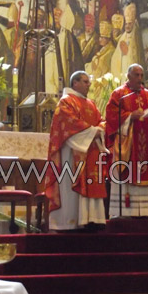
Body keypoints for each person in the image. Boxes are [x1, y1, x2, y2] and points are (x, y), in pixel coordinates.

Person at [44, 71, 108, 230]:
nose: (89, 85)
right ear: (75, 83)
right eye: (85, 82)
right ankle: (70, 222)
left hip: (91, 151)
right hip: (72, 153)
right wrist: (93, 132)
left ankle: (92, 219)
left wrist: (100, 129)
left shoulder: (91, 104)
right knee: (71, 189)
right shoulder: (66, 102)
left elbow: (101, 121)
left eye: (88, 82)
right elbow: (68, 123)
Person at [105, 64, 148, 218]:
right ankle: (124, 213)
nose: (139, 78)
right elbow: (111, 116)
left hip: (146, 147)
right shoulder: (119, 94)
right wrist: (130, 116)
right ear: (128, 76)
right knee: (127, 174)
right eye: (136, 75)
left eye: (141, 75)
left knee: (145, 174)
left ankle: (145, 213)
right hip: (128, 146)